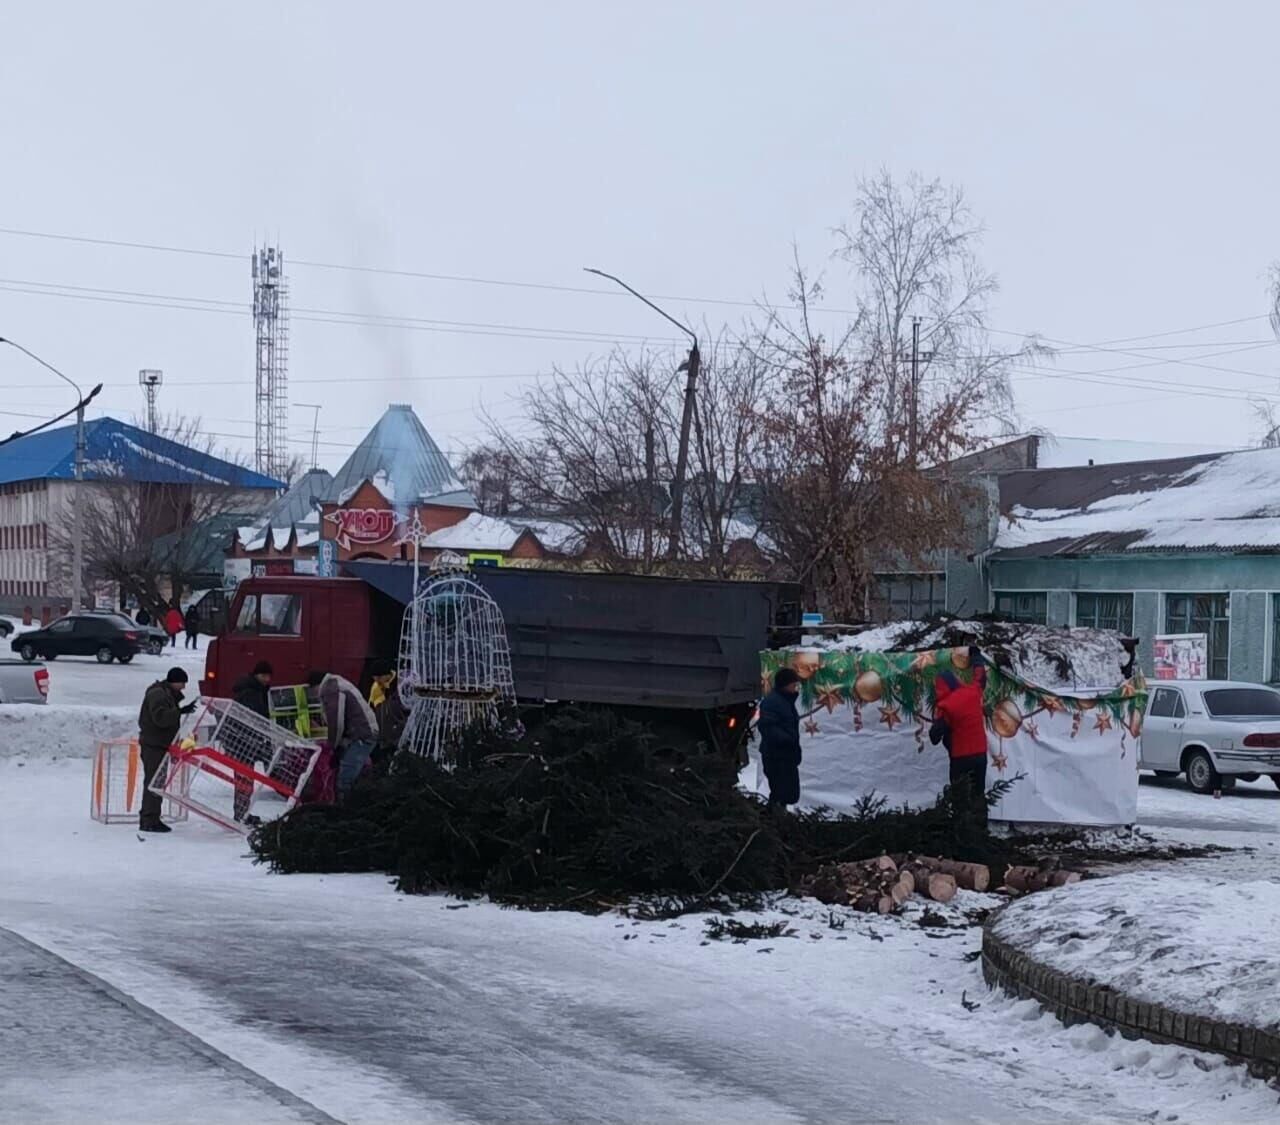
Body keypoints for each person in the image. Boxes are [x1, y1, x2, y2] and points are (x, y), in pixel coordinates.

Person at [931, 645, 990, 824]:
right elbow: (980, 676)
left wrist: (940, 725)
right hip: (980, 755)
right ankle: (980, 830)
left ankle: (962, 832)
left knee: (960, 798)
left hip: (960, 758)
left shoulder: (945, 706)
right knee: (978, 794)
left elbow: (935, 737)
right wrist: (976, 655)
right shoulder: (973, 691)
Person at [137, 667, 196, 832]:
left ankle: (152, 817)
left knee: (157, 783)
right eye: (182, 683)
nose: (184, 687)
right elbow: (161, 719)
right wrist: (180, 711)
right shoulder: (158, 694)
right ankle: (149, 820)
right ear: (174, 681)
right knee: (154, 783)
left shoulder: (165, 694)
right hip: (154, 746)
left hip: (160, 745)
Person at [308, 669, 378, 801]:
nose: (315, 695)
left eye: (313, 691)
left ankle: (346, 810)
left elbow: (336, 722)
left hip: (361, 735)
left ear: (316, 686)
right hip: (363, 733)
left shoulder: (330, 689)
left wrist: (332, 746)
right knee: (351, 772)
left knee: (345, 778)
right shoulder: (336, 683)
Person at [229, 660, 273, 823]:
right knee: (244, 780)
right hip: (242, 741)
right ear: (256, 675)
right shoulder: (251, 693)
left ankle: (243, 812)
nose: (266, 679)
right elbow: (257, 716)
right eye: (263, 675)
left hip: (244, 741)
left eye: (268, 676)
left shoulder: (255, 690)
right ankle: (241, 814)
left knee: (246, 779)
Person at [757, 667, 802, 809]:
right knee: (780, 792)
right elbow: (767, 727)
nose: (795, 688)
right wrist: (787, 739)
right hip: (777, 756)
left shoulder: (785, 701)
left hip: (786, 755)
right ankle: (775, 820)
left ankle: (779, 818)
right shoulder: (773, 702)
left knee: (788, 793)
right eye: (793, 684)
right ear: (785, 684)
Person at [368, 657, 408, 765]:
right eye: (374, 679)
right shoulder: (376, 688)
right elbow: (375, 709)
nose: (377, 681)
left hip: (399, 731)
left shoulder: (402, 683)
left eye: (378, 678)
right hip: (384, 734)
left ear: (386, 674)